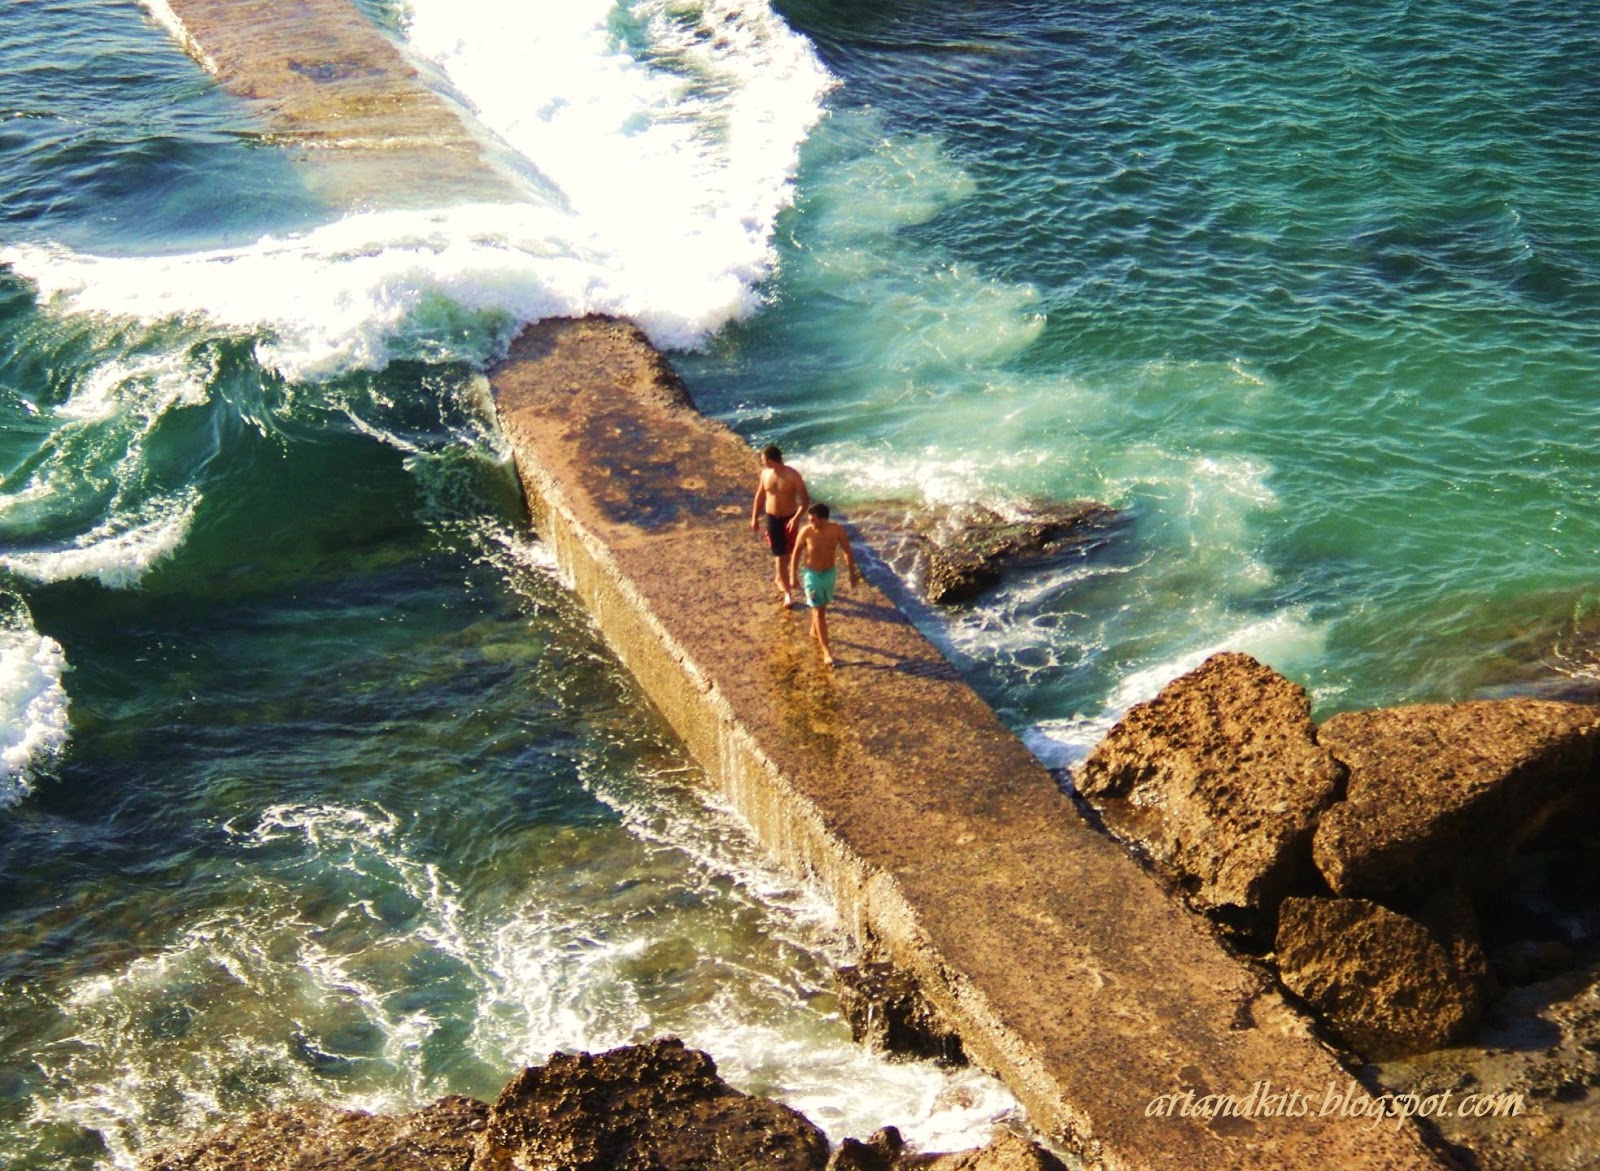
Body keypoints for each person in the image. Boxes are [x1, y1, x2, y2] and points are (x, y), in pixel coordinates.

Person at [788, 503, 860, 668]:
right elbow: (797, 553)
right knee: (819, 611)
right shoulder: (806, 532)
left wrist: (852, 573)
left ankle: (814, 630)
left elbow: (847, 550)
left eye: (814, 520)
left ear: (824, 519)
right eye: (809, 520)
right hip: (812, 576)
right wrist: (793, 576)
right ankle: (827, 651)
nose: (811, 523)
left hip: (829, 573)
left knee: (822, 606)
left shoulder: (836, 530)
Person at [750, 444, 809, 606]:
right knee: (780, 555)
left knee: (789, 553)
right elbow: (760, 496)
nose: (761, 462)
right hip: (772, 518)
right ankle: (787, 594)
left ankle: (779, 577)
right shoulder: (765, 474)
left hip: (789, 518)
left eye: (763, 459)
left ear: (770, 460)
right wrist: (754, 517)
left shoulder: (792, 475)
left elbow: (805, 501)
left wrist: (796, 518)